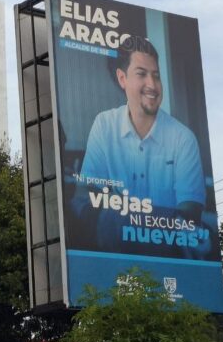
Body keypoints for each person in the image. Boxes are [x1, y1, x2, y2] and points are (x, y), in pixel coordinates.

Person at [76, 35, 205, 222]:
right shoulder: (104, 125)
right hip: (113, 248)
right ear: (122, 78)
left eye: (156, 75)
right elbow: (86, 195)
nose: (152, 85)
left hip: (166, 249)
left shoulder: (183, 138)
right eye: (141, 74)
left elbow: (190, 212)